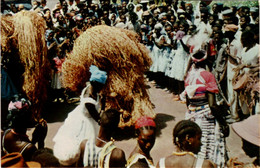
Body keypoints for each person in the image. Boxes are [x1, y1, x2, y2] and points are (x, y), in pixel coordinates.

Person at [53, 65, 107, 166]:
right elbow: (96, 116)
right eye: (101, 85)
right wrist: (103, 120)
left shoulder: (93, 90)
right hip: (84, 122)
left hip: (88, 119)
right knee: (81, 143)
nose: (102, 88)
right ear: (95, 83)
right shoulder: (89, 98)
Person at [182, 50, 228, 167]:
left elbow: (188, 102)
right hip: (206, 118)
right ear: (206, 60)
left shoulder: (188, 77)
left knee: (195, 150)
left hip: (191, 116)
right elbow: (212, 105)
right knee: (208, 149)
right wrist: (223, 123)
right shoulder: (208, 76)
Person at [1, 95, 47, 161]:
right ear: (26, 120)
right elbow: (37, 163)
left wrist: (33, 141)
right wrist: (40, 141)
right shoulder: (29, 148)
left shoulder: (4, 135)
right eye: (31, 115)